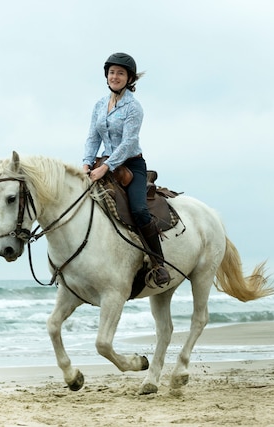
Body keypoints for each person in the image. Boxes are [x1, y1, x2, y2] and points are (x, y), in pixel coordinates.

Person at [82, 52, 170, 286]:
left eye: (120, 73)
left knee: (139, 210)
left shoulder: (134, 107)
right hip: (102, 163)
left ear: (129, 78)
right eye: (112, 72)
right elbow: (92, 137)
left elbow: (128, 142)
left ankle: (158, 263)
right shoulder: (99, 105)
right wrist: (86, 163)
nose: (115, 76)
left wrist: (105, 168)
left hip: (131, 164)